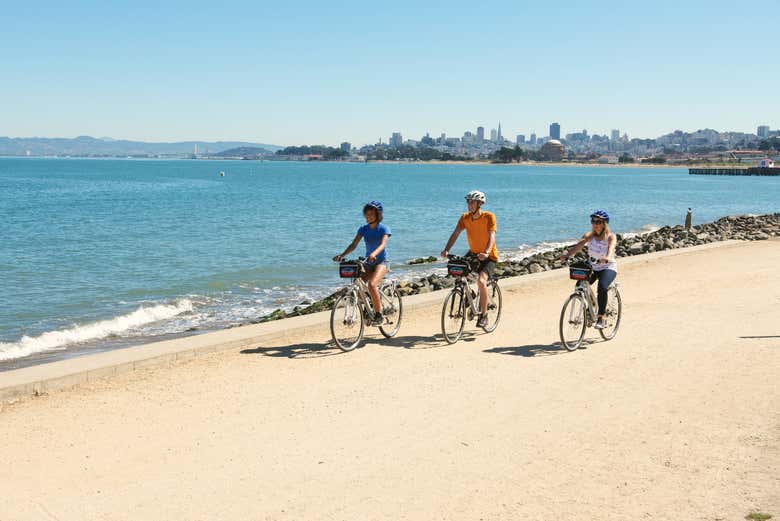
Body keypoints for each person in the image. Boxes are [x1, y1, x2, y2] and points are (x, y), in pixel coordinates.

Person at [440, 190, 498, 328]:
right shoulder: (465, 218)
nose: (469, 204)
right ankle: (470, 294)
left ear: (480, 204)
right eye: (468, 202)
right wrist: (446, 249)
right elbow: (456, 233)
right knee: (458, 273)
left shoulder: (489, 217)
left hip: (489, 256)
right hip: (473, 253)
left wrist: (486, 251)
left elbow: (492, 236)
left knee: (481, 281)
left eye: (472, 202)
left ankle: (484, 316)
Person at [333, 201, 391, 326]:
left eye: (371, 213)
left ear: (378, 214)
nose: (368, 216)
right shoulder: (363, 229)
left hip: (382, 262)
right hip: (368, 262)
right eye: (367, 214)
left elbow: (383, 244)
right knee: (357, 284)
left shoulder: (384, 228)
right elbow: (354, 244)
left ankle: (379, 314)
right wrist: (342, 255)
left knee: (372, 284)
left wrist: (374, 254)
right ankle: (369, 304)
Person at [559, 210, 617, 329]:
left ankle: (601, 317)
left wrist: (607, 257)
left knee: (602, 287)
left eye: (598, 222)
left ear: (604, 223)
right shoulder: (589, 236)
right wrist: (567, 255)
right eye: (593, 221)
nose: (595, 224)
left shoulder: (611, 237)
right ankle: (591, 308)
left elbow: (611, 248)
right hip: (593, 266)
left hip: (607, 267)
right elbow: (578, 246)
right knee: (580, 286)